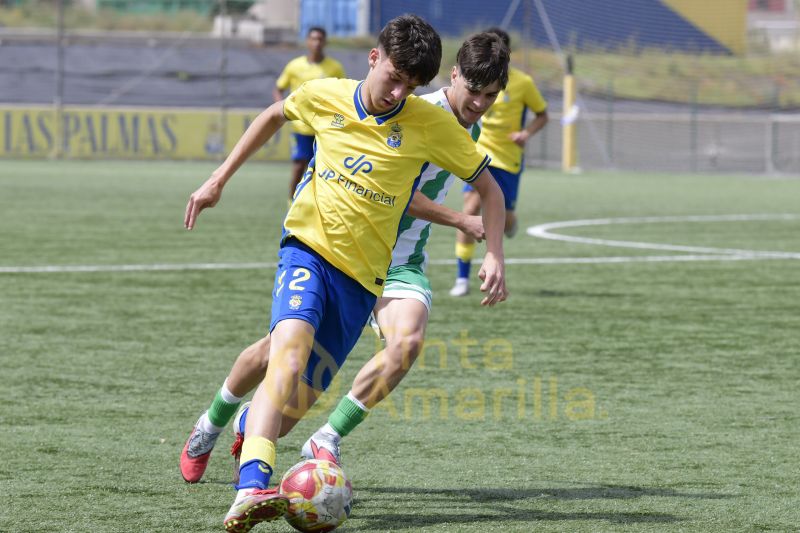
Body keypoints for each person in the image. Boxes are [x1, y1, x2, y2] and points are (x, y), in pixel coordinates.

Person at [183, 15, 508, 532]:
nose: (398, 92)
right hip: (308, 250)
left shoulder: (433, 127)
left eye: (409, 86)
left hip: (368, 275)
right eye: (393, 78)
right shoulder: (331, 94)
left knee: (290, 399)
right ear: (374, 58)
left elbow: (488, 188)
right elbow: (274, 114)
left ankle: (250, 425)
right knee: (284, 353)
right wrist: (217, 180)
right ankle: (246, 478)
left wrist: (493, 253)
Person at [450, 27, 549, 297]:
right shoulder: (475, 76)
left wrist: (525, 133)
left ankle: (509, 221)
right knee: (470, 206)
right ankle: (462, 277)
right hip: (480, 150)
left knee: (504, 214)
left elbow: (542, 115)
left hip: (508, 158)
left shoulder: (523, 83)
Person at [273, 27, 346, 203]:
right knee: (299, 165)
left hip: (325, 127)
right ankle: (292, 201)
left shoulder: (334, 68)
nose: (317, 43)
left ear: (325, 42)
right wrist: (280, 109)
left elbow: (344, 93)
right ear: (307, 42)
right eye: (313, 39)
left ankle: (319, 204)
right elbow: (279, 88)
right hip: (301, 126)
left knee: (323, 169)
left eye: (320, 39)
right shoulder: (294, 66)